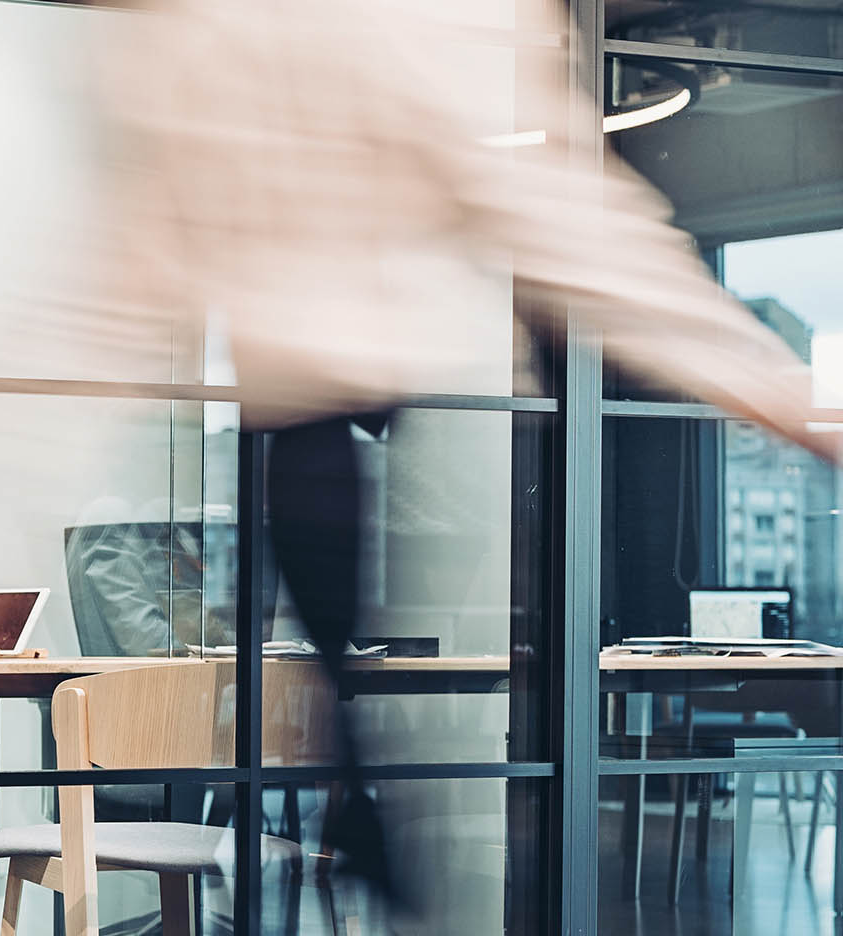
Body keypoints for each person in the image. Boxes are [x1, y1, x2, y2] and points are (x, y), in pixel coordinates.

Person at [53, 0, 843, 903]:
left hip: (344, 388)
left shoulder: (353, 39)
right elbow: (111, 281)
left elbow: (579, 238)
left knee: (341, 461)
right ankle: (356, 774)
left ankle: (358, 775)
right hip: (329, 392)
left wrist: (784, 399)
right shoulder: (181, 55)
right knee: (325, 459)